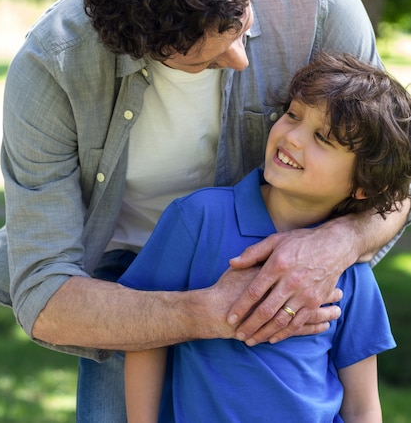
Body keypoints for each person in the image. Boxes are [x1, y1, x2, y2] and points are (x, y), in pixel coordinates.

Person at [0, 0, 409, 423]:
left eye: (242, 25)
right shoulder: (53, 66)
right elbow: (44, 294)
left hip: (268, 241)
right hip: (120, 278)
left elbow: (391, 177)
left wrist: (336, 243)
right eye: (203, 60)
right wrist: (212, 311)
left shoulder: (320, 4)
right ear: (140, 48)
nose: (239, 59)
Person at [119, 52, 411, 423]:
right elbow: (148, 337)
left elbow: (363, 405)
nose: (292, 137)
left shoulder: (349, 272)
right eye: (293, 114)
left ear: (363, 186)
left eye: (322, 138)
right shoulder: (198, 219)